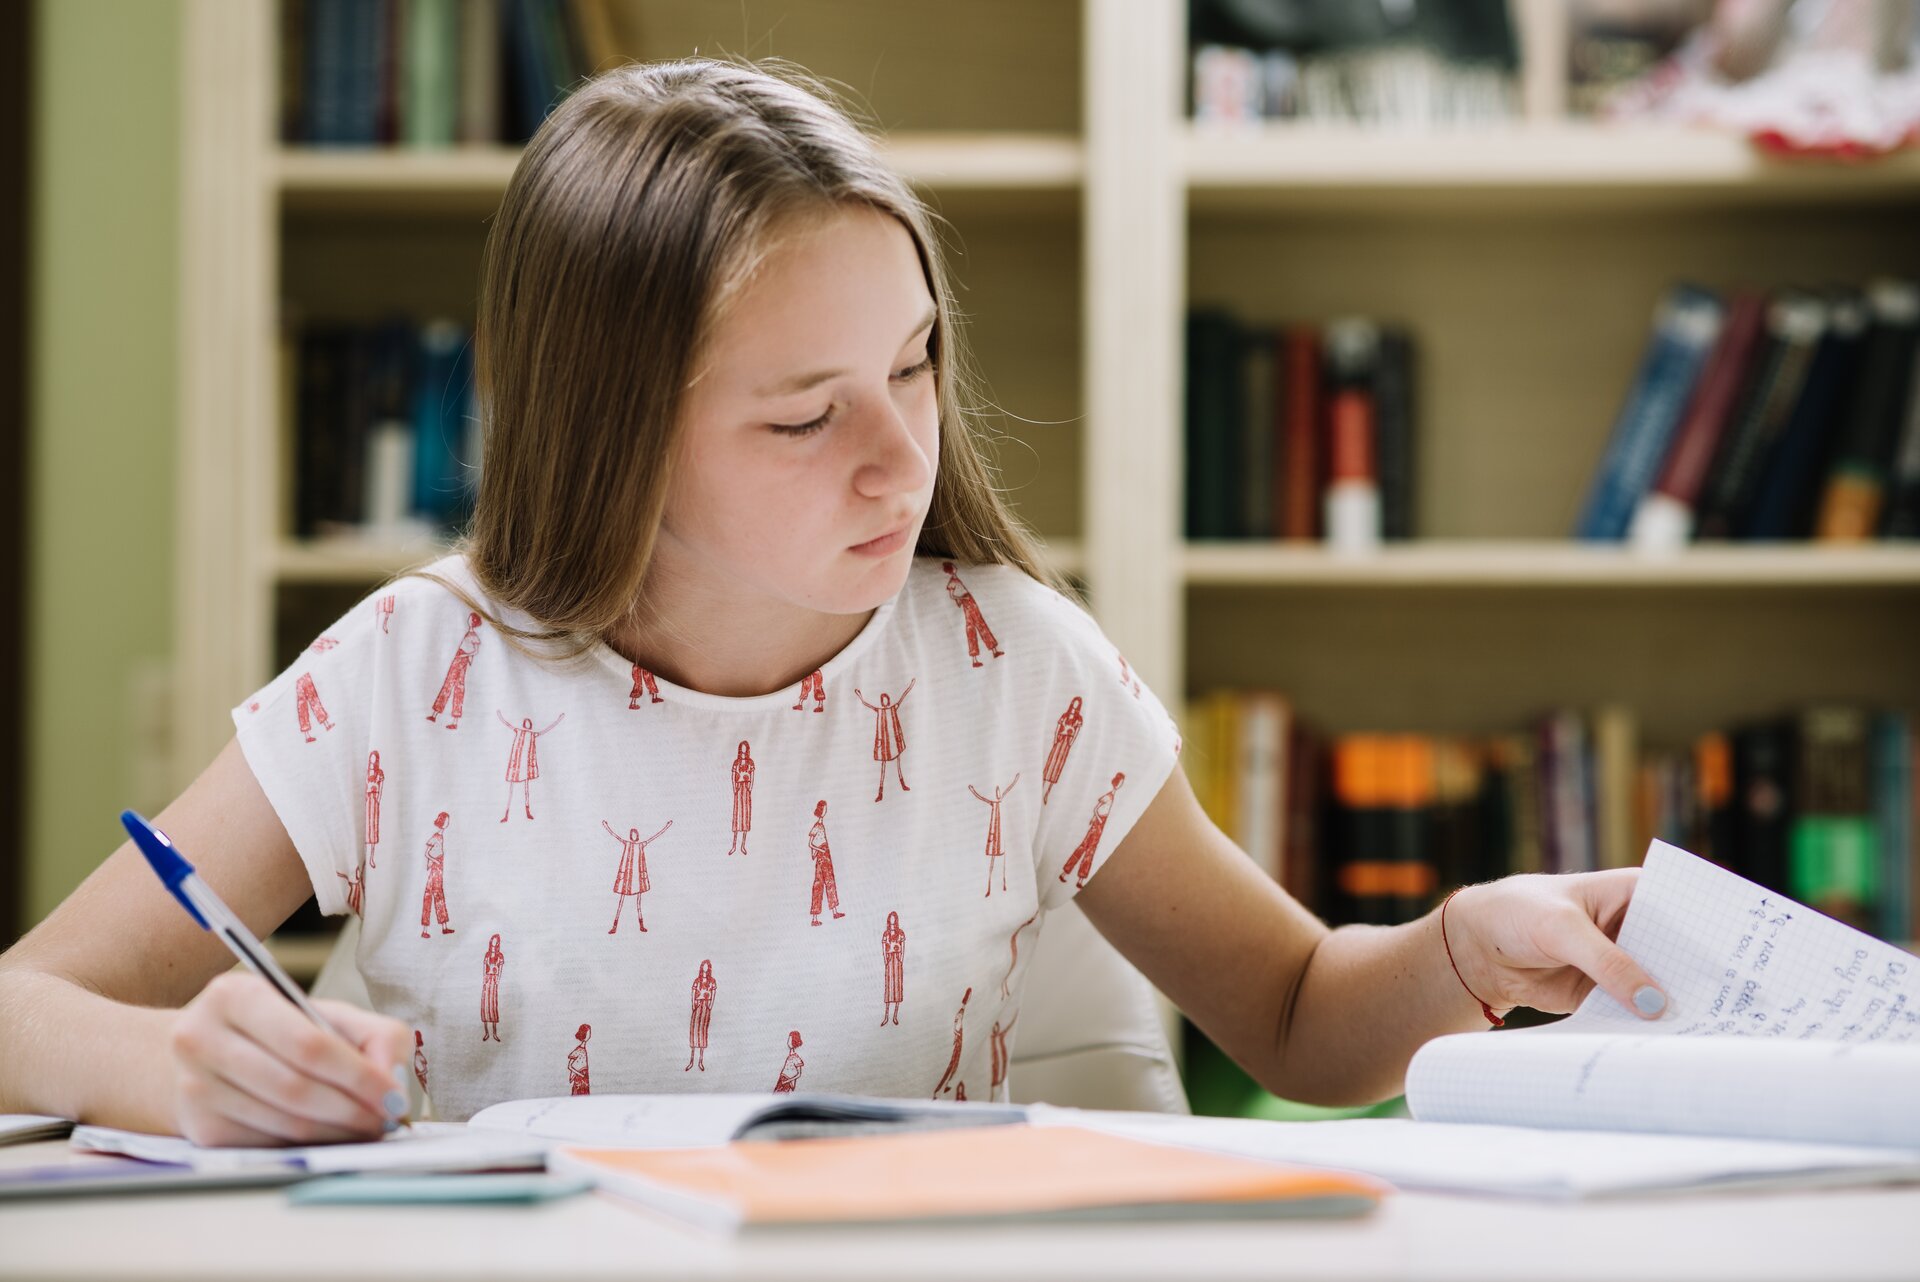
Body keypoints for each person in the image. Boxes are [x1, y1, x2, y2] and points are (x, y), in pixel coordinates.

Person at [0, 58, 1667, 1146]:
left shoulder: (1018, 667)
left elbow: (1302, 1020)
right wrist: (181, 1068)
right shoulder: (409, 677)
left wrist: (1462, 945)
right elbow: (21, 1010)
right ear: (616, 435)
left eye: (915, 361)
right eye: (805, 413)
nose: (900, 455)